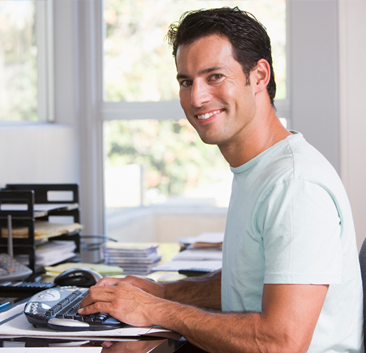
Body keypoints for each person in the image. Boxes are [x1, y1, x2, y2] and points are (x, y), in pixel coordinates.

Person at [79, 7, 364, 352]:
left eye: (214, 76)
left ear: (259, 76)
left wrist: (156, 311)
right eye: (186, 81)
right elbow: (247, 284)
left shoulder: (293, 185)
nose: (196, 98)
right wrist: (162, 292)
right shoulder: (260, 169)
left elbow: (280, 343)